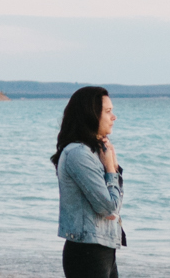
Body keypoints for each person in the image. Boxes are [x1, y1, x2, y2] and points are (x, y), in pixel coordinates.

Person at [52, 84, 124, 278]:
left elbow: (112, 208)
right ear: (91, 114)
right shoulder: (78, 154)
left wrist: (113, 165)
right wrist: (111, 169)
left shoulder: (93, 153)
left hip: (103, 248)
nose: (113, 117)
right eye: (108, 111)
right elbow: (109, 209)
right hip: (87, 252)